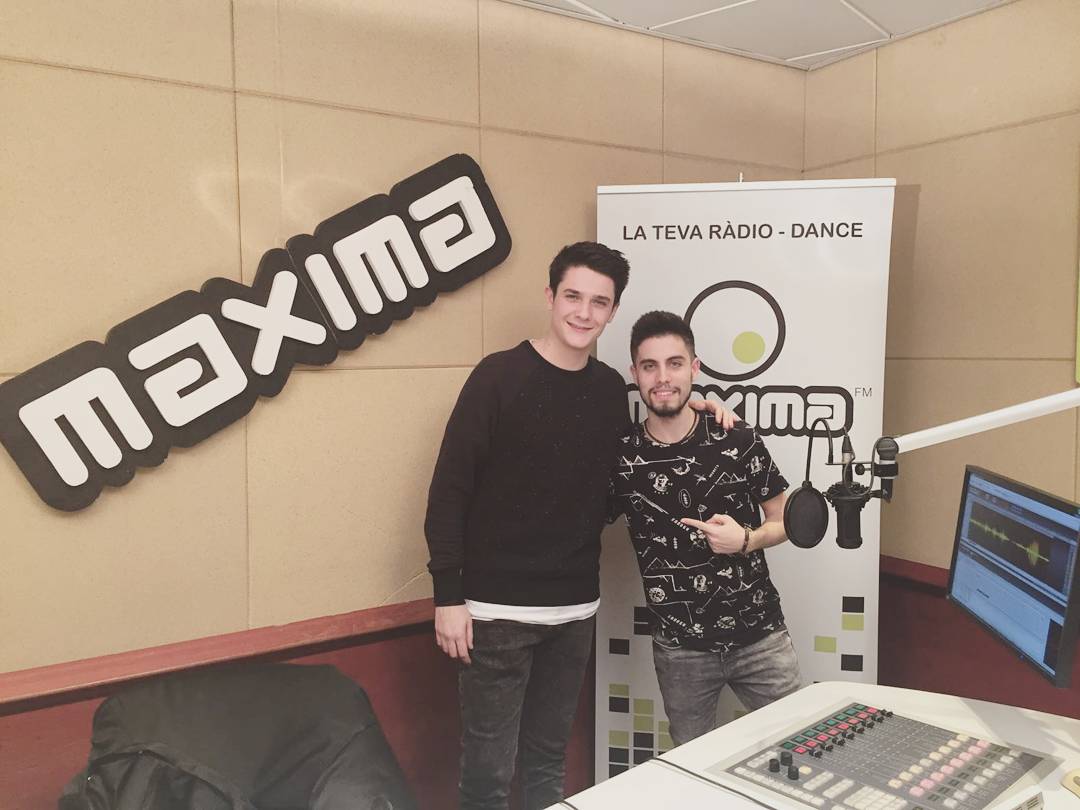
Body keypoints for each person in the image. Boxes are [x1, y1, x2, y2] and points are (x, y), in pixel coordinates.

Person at [424, 243, 734, 810]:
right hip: (494, 615)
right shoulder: (497, 377)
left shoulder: (609, 391)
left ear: (613, 311)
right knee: (488, 773)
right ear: (550, 296)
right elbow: (449, 490)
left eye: (599, 302)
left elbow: (626, 477)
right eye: (573, 296)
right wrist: (448, 595)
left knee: (548, 764)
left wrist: (700, 409)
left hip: (573, 613)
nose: (584, 313)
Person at [609, 310, 801, 747]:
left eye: (675, 363)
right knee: (691, 766)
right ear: (634, 374)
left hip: (761, 639)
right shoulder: (621, 458)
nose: (663, 378)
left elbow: (785, 520)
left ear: (694, 368)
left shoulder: (737, 439)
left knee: (800, 750)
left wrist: (747, 540)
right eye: (650, 366)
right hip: (680, 651)